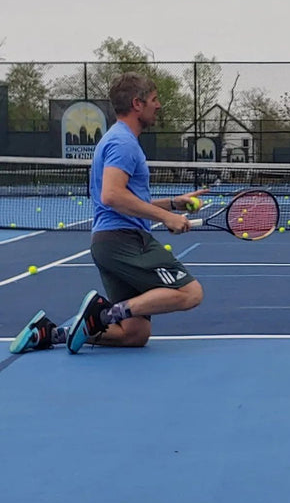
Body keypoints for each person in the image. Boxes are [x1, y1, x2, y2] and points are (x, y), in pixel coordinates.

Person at [10, 72, 207, 355]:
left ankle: (49, 332)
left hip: (108, 243)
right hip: (125, 241)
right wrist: (166, 218)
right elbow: (112, 196)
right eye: (154, 99)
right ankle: (101, 316)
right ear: (137, 104)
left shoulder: (116, 140)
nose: (159, 105)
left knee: (134, 334)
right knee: (190, 293)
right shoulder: (124, 143)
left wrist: (173, 204)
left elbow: (127, 198)